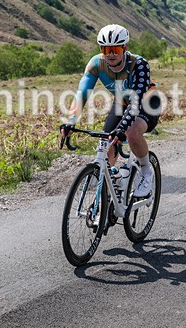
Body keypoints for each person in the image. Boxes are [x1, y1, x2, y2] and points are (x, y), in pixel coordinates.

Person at [60, 24, 159, 198]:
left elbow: (135, 103)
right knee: (107, 143)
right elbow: (82, 93)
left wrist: (122, 129)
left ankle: (146, 170)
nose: (111, 54)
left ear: (125, 48)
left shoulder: (139, 64)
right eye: (106, 50)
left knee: (132, 132)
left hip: (146, 102)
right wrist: (71, 120)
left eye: (115, 49)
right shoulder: (96, 63)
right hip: (121, 102)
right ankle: (110, 189)